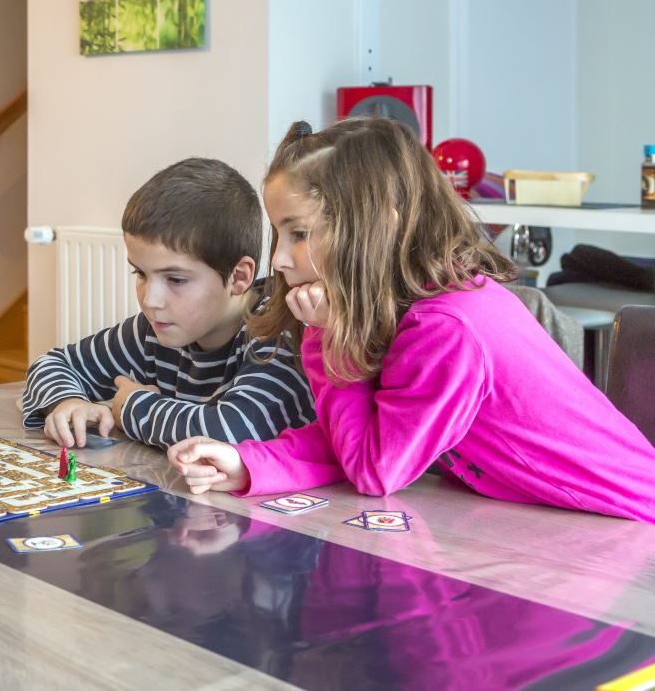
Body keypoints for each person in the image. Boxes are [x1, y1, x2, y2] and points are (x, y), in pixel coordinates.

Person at [168, 118, 655, 523]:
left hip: (624, 530)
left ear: (380, 222)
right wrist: (250, 464)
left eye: (298, 233)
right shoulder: (419, 306)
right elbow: (364, 433)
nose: (279, 258)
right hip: (557, 522)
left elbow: (375, 470)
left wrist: (327, 336)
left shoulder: (447, 329)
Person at [21, 158, 315, 450]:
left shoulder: (280, 331)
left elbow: (231, 430)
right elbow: (53, 364)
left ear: (239, 277)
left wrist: (132, 407)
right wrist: (67, 402)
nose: (150, 300)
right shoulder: (152, 329)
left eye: (175, 280)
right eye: (140, 273)